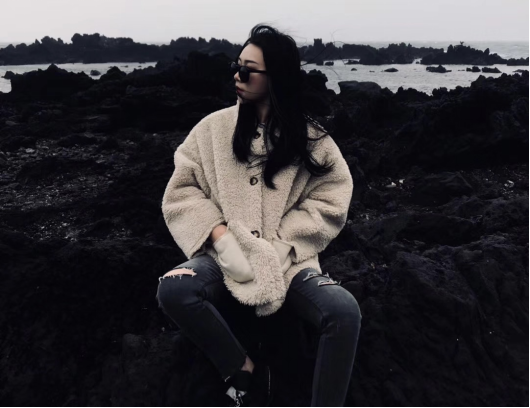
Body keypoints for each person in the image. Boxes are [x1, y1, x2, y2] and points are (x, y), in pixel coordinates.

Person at [155, 24, 362, 407]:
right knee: (174, 288)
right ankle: (241, 370)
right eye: (237, 66)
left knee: (344, 312)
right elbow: (182, 191)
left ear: (275, 77)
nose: (237, 75)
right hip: (222, 259)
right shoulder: (211, 130)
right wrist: (220, 238)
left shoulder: (313, 140)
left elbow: (332, 196)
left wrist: (284, 245)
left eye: (248, 70)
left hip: (290, 265)